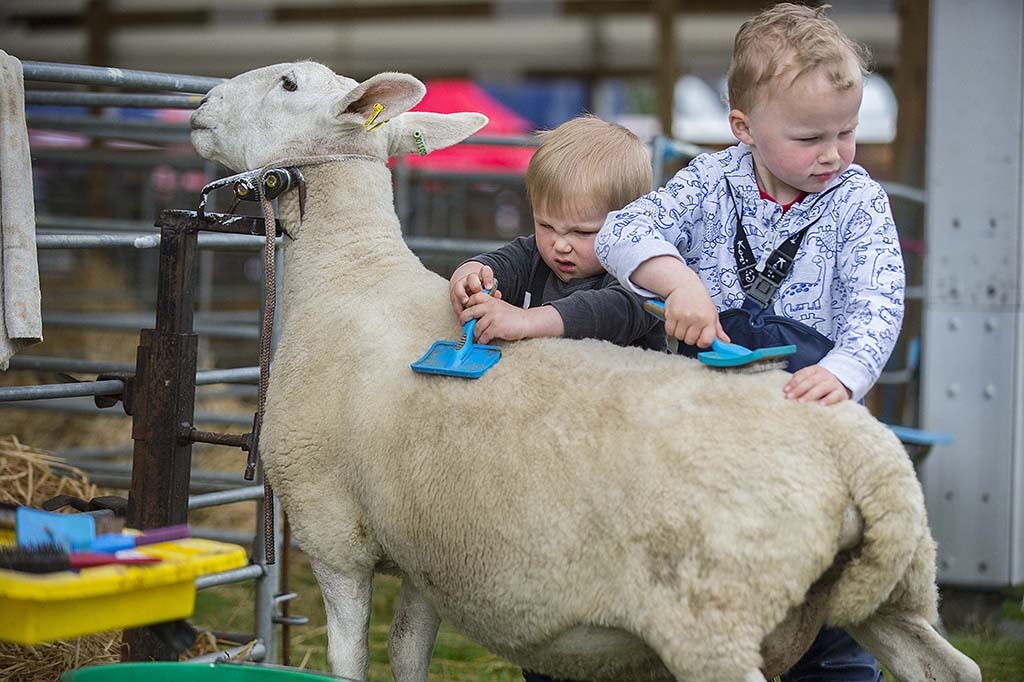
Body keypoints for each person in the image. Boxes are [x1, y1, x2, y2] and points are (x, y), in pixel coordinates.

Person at [595, 3, 902, 681]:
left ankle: (831, 664)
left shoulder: (857, 202)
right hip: (705, 416)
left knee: (811, 574)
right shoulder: (710, 181)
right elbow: (619, 230)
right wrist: (678, 283)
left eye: (846, 132)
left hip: (801, 407)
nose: (832, 153)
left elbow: (878, 301)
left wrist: (847, 372)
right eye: (808, 136)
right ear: (744, 128)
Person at [450, 115, 664, 353]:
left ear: (629, 223)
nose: (560, 245)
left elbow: (610, 311)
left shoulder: (642, 273)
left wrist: (526, 320)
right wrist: (468, 281)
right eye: (546, 226)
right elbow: (496, 264)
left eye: (581, 232)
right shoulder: (534, 256)